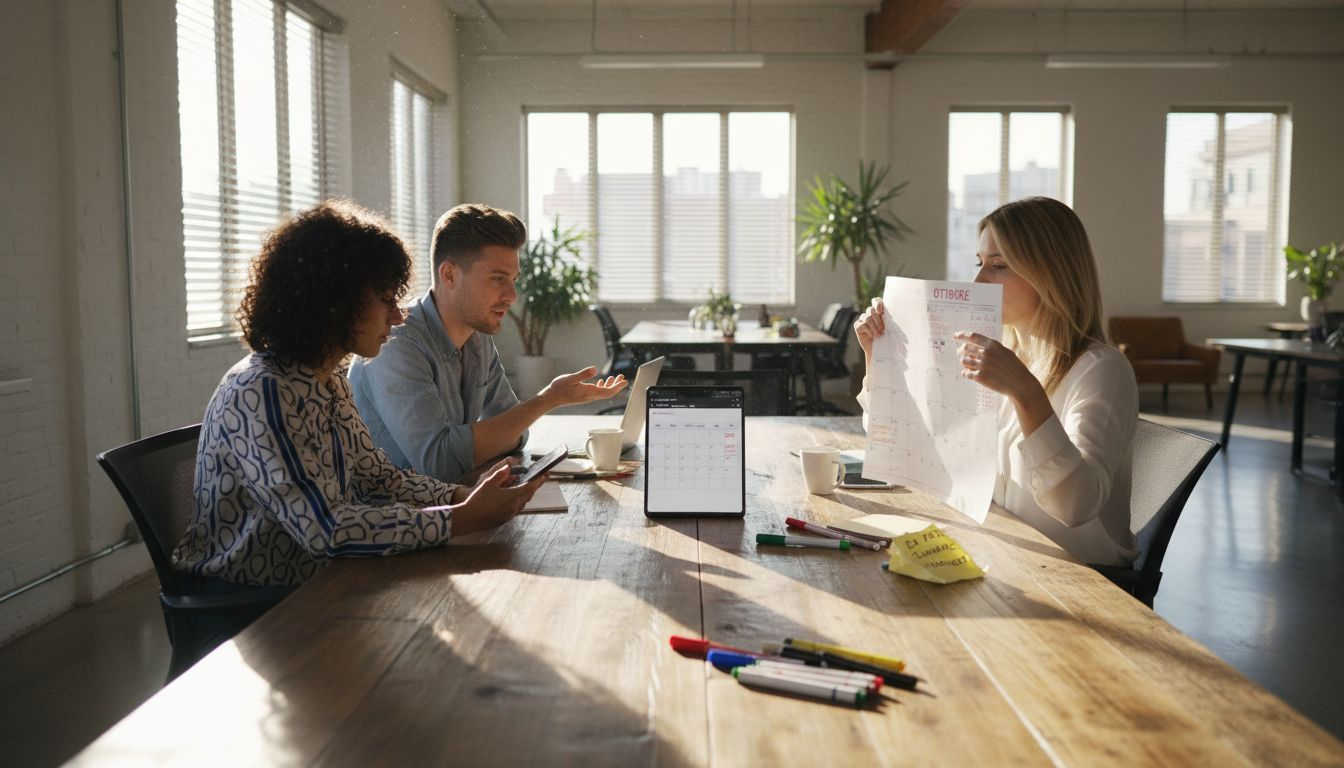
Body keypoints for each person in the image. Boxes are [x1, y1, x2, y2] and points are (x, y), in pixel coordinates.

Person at [174, 201, 544, 587]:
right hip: (260, 603)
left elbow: (380, 478)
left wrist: (464, 495)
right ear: (334, 301)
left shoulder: (327, 381)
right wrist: (462, 517)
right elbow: (326, 529)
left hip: (323, 580)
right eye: (385, 299)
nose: (398, 316)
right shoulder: (263, 390)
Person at [853, 196, 1138, 566]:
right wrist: (879, 357)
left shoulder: (1102, 370)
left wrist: (1024, 391)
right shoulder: (997, 352)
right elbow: (899, 441)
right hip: (1003, 551)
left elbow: (1075, 506)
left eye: (998, 265)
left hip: (1075, 578)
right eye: (979, 263)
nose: (978, 280)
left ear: (1051, 272)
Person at [350, 203, 627, 484]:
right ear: (450, 275)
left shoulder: (477, 339)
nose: (512, 295)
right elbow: (440, 462)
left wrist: (477, 444)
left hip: (450, 502)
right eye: (498, 279)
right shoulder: (395, 341)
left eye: (513, 279)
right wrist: (548, 399)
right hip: (395, 515)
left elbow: (517, 433)